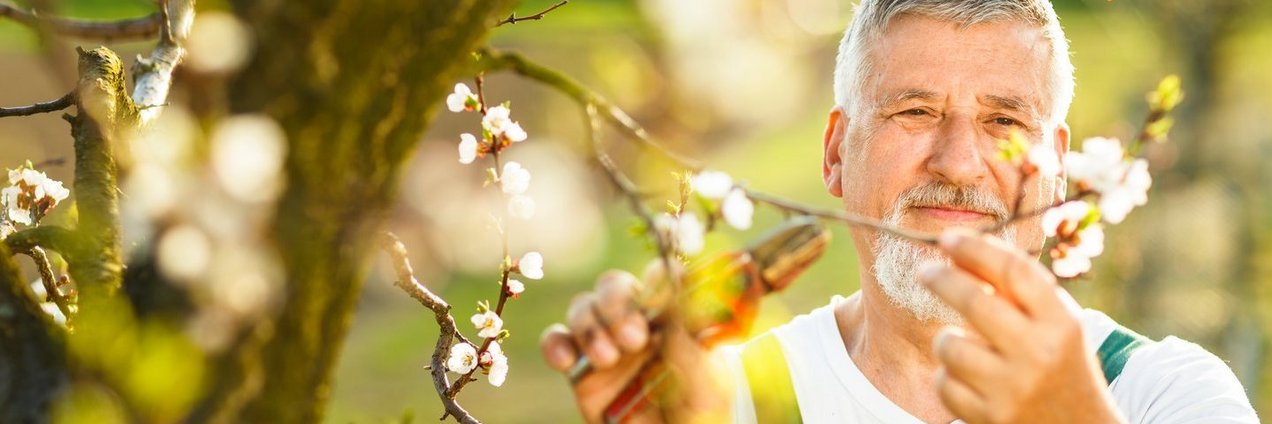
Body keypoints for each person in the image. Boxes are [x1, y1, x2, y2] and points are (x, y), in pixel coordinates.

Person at [538, 0, 1259, 422]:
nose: (957, 163)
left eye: (1004, 122)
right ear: (834, 154)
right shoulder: (732, 399)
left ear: (1056, 166)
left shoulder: (1165, 396)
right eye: (914, 112)